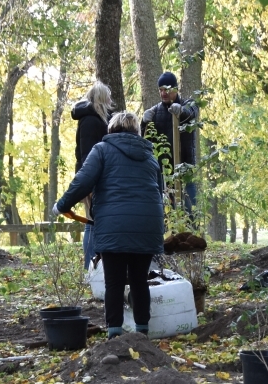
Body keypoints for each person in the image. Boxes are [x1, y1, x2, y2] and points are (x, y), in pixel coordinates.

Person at [54, 111, 164, 338]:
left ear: (111, 130)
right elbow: (159, 192)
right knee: (139, 280)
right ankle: (142, 333)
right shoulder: (150, 157)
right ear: (137, 131)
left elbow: (83, 180)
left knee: (113, 282)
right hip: (147, 225)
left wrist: (62, 205)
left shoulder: (102, 150)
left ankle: (114, 335)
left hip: (114, 225)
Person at [141, 71, 199, 214]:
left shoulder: (187, 104)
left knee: (190, 213)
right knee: (167, 215)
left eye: (166, 89)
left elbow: (192, 111)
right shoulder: (156, 111)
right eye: (160, 90)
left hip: (185, 171)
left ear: (175, 88)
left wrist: (181, 112)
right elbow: (145, 140)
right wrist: (143, 123)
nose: (163, 93)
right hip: (164, 175)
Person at [70, 82, 112, 265]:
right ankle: (90, 266)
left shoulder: (96, 119)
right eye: (108, 97)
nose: (111, 100)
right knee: (92, 223)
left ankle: (95, 265)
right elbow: (88, 155)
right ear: (102, 98)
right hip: (91, 179)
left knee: (94, 222)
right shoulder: (91, 121)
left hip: (93, 177)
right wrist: (91, 183)